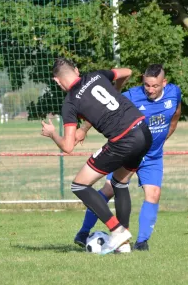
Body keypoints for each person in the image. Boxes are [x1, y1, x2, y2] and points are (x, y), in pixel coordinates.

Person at [41, 57, 152, 255]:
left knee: (79, 185)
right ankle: (123, 244)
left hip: (123, 139)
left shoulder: (70, 103)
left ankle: (117, 231)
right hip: (143, 131)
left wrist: (52, 134)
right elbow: (127, 71)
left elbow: (67, 147)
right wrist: (116, 89)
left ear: (57, 81)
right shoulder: (96, 75)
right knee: (119, 183)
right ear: (76, 70)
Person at [73, 64, 181, 252]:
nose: (150, 90)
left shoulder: (174, 93)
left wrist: (164, 138)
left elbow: (174, 117)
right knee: (108, 190)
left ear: (164, 83)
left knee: (154, 194)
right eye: (147, 85)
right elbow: (102, 109)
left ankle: (141, 242)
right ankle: (83, 233)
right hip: (129, 151)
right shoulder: (132, 95)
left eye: (155, 86)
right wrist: (83, 129)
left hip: (153, 156)